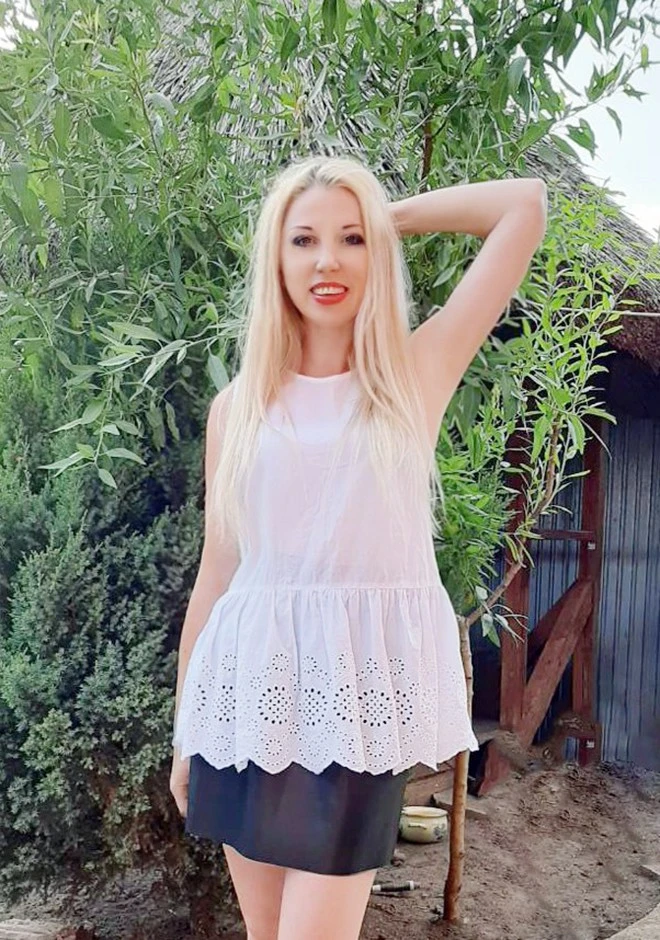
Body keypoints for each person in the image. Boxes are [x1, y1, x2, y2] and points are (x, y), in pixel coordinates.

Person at [169, 154, 547, 939]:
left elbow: (524, 204)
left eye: (350, 240)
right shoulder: (235, 409)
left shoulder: (412, 375)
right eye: (303, 239)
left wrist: (386, 217)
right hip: (244, 709)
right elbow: (219, 574)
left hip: (355, 721)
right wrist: (186, 733)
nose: (328, 261)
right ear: (276, 259)